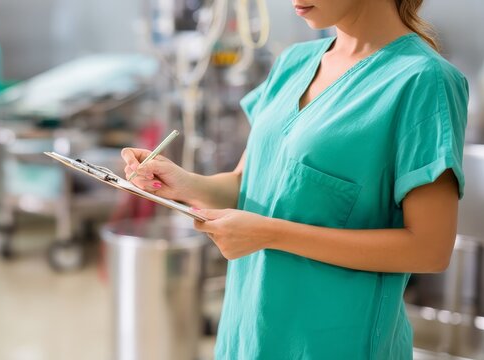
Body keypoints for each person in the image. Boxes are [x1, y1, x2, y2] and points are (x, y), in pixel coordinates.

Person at [122, 0, 468, 358]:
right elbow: (251, 182)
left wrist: (269, 234)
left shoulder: (423, 81)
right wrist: (183, 183)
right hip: (250, 331)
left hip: (334, 342)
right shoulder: (294, 63)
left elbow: (429, 249)